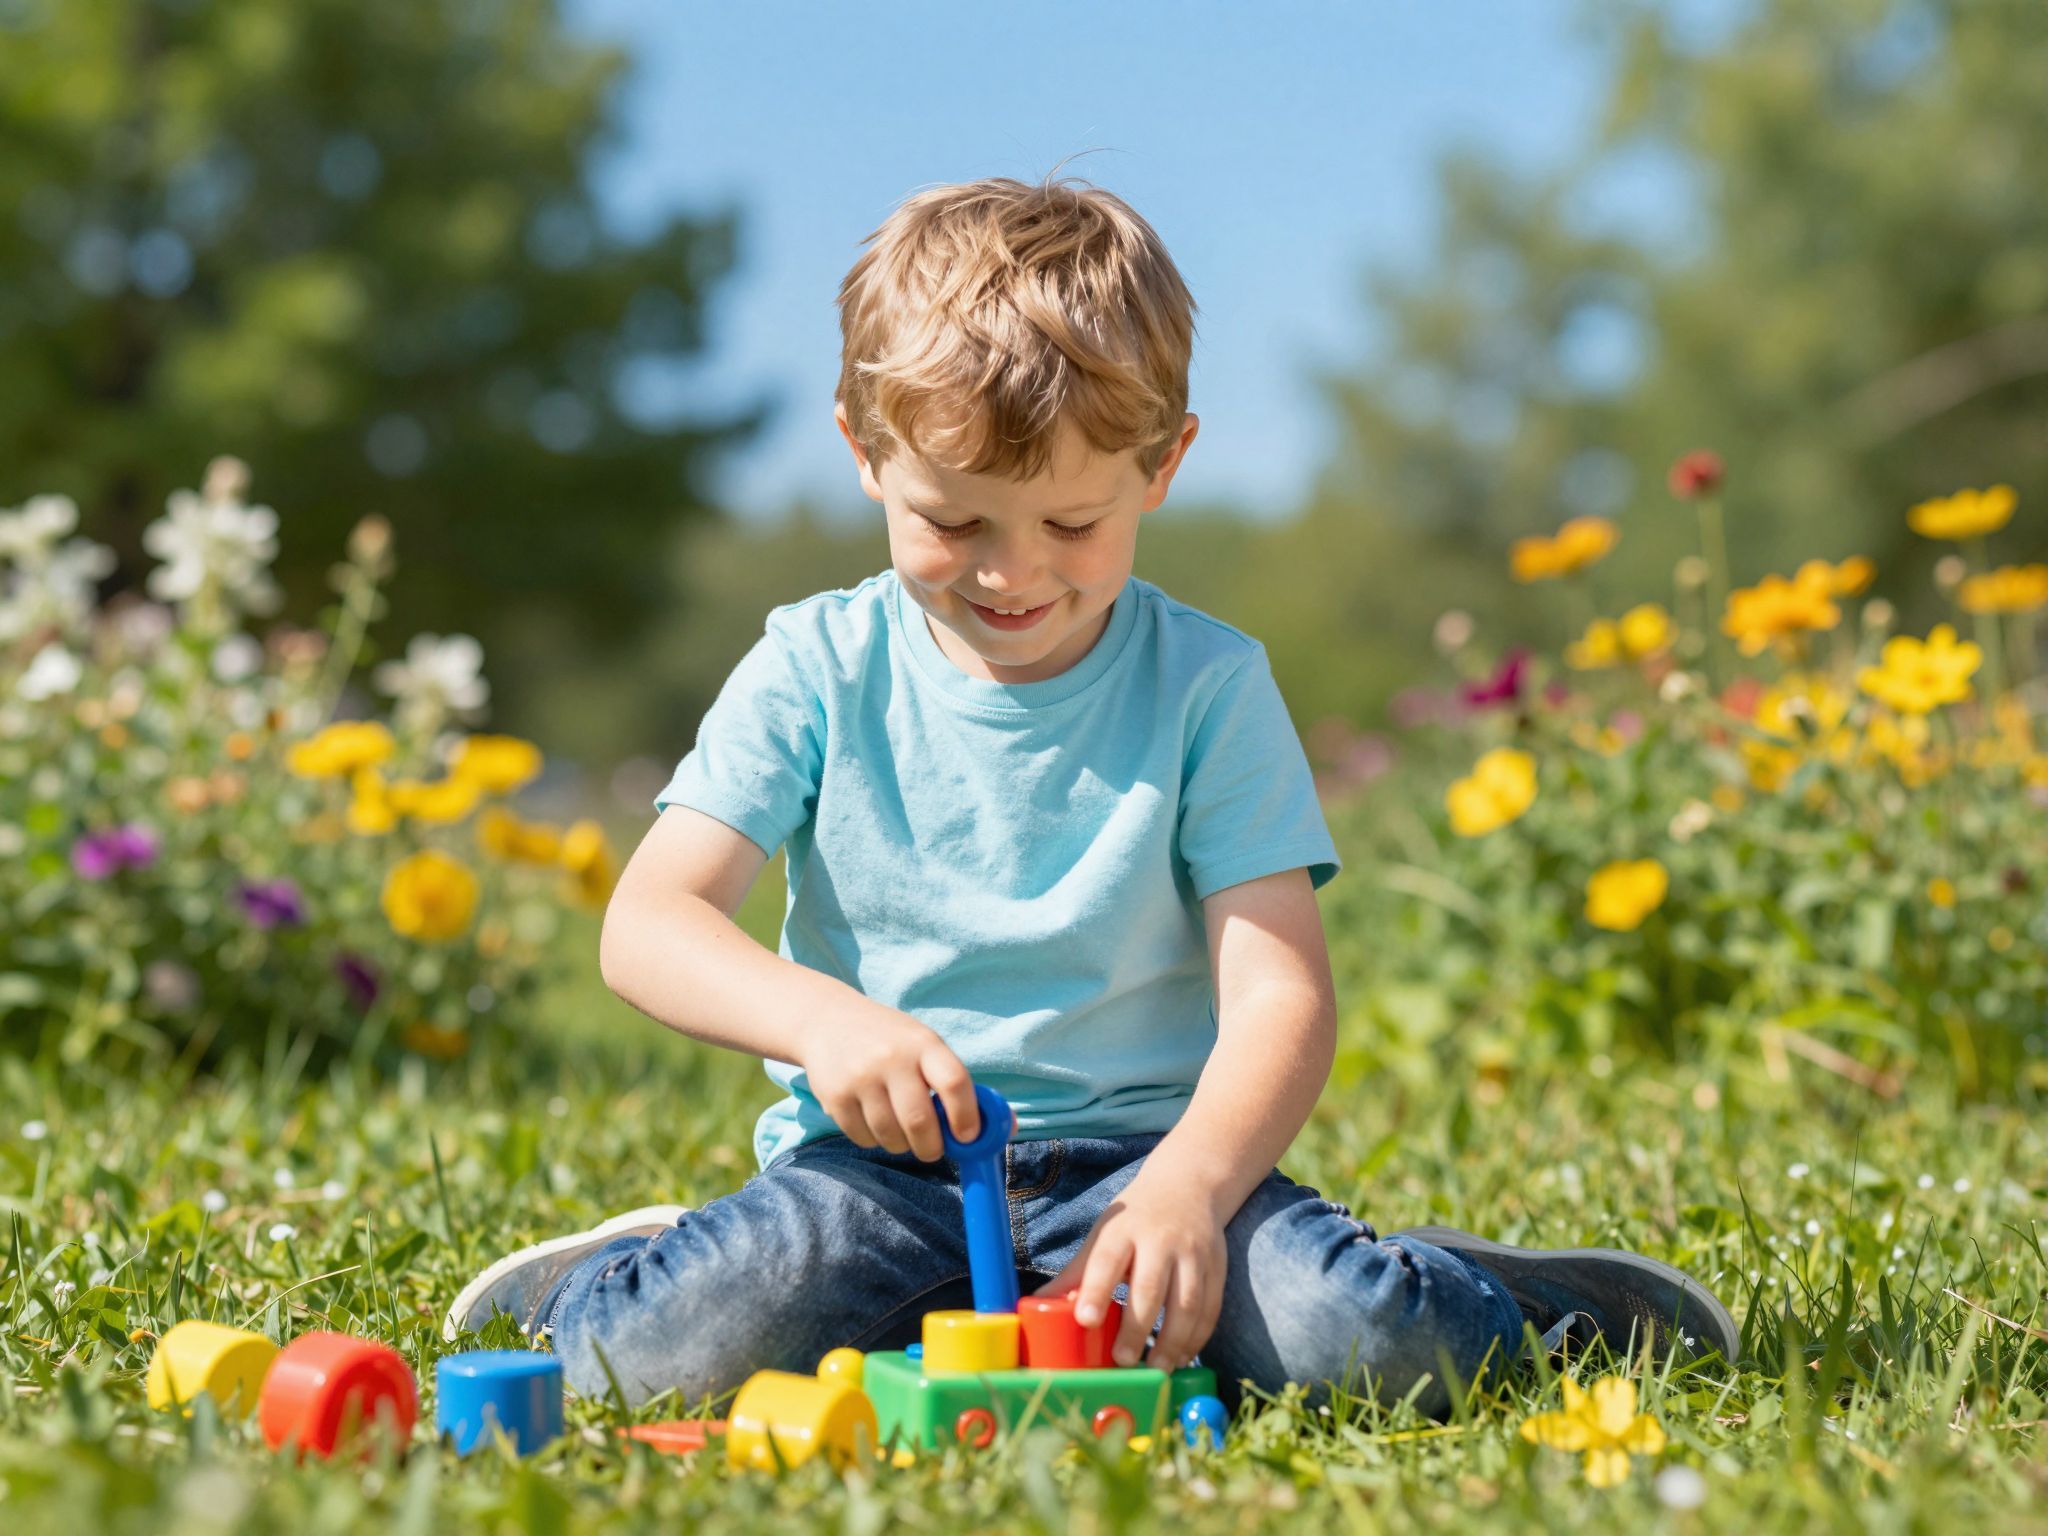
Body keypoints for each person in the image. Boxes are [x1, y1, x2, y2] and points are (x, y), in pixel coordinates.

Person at [444, 173, 1737, 1415]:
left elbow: (1280, 992)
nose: (1012, 575)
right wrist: (824, 1026)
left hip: (1157, 1173)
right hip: (875, 1181)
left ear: (1162, 466)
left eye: (1071, 526)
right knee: (672, 1348)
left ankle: (1514, 1305)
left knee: (1362, 1336)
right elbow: (649, 923)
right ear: (863, 451)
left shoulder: (1208, 686)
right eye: (954, 522)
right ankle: (608, 1278)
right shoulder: (816, 666)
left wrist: (1189, 1188)